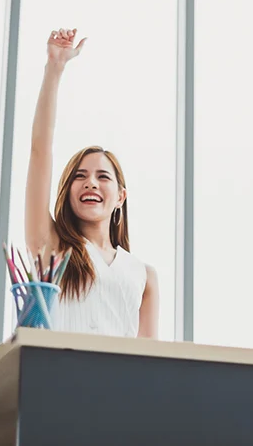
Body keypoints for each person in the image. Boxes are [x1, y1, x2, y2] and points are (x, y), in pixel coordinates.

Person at [24, 28, 158, 337]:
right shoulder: (53, 247)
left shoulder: (144, 275)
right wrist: (54, 68)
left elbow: (150, 356)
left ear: (121, 196)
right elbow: (40, 151)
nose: (91, 184)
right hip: (61, 367)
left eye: (102, 176)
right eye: (80, 176)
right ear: (67, 190)